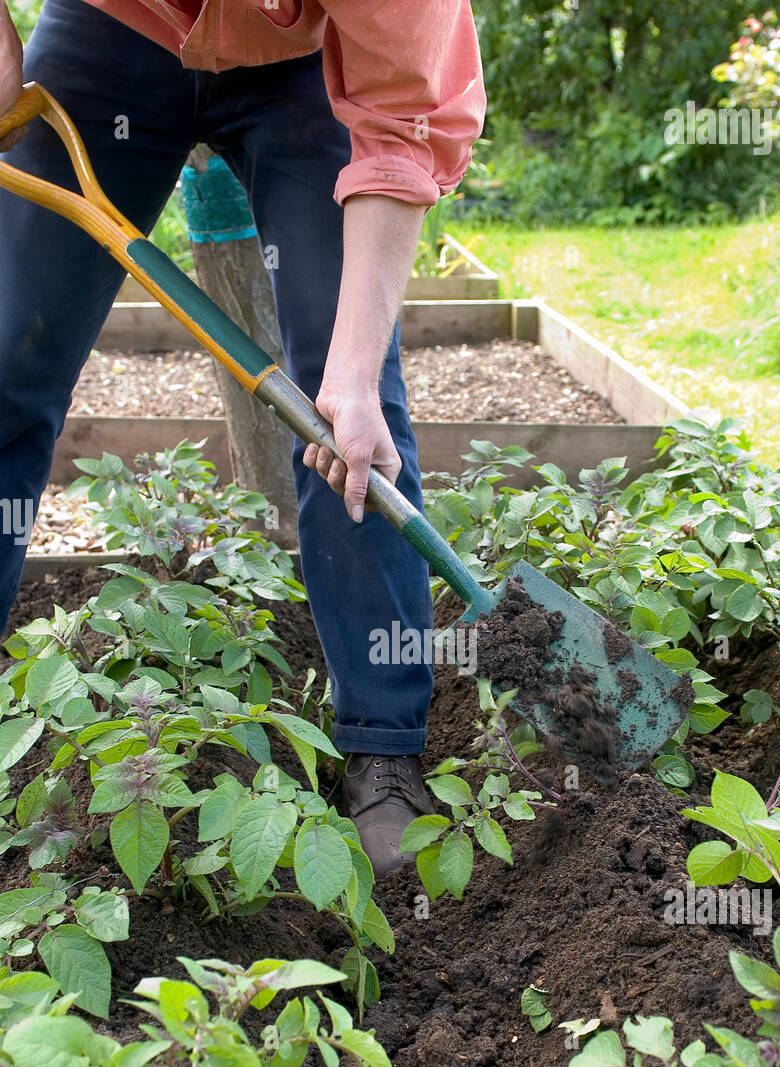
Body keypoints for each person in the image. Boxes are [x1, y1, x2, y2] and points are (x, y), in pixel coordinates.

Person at [0, 0, 485, 877]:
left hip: (306, 65)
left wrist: (349, 369)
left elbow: (403, 121)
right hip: (117, 28)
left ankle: (383, 743)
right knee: (5, 359)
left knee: (350, 410)